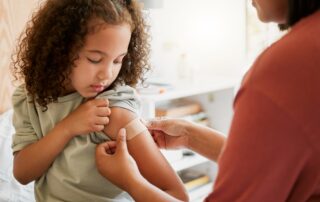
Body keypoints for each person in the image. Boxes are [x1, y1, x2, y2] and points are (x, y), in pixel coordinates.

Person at [95, 0, 320, 201]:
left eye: (118, 60)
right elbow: (271, 163)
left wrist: (132, 182)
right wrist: (190, 136)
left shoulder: (282, 70)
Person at [11, 0, 188, 201]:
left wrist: (131, 180)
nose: (107, 74)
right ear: (60, 50)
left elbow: (177, 195)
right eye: (95, 59)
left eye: (118, 60)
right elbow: (22, 174)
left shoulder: (114, 112)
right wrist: (67, 128)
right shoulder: (29, 98)